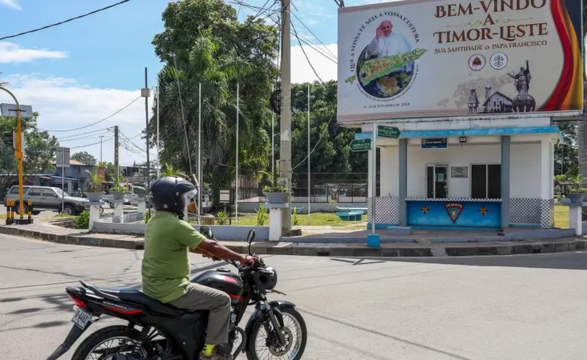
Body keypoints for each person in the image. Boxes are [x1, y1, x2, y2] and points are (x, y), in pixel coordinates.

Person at [142, 176, 257, 360]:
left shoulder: (154, 222)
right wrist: (241, 258)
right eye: (182, 198)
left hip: (153, 287)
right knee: (222, 301)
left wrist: (207, 253)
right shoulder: (176, 225)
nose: (184, 202)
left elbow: (181, 244)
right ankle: (210, 352)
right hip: (172, 289)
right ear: (171, 199)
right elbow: (213, 244)